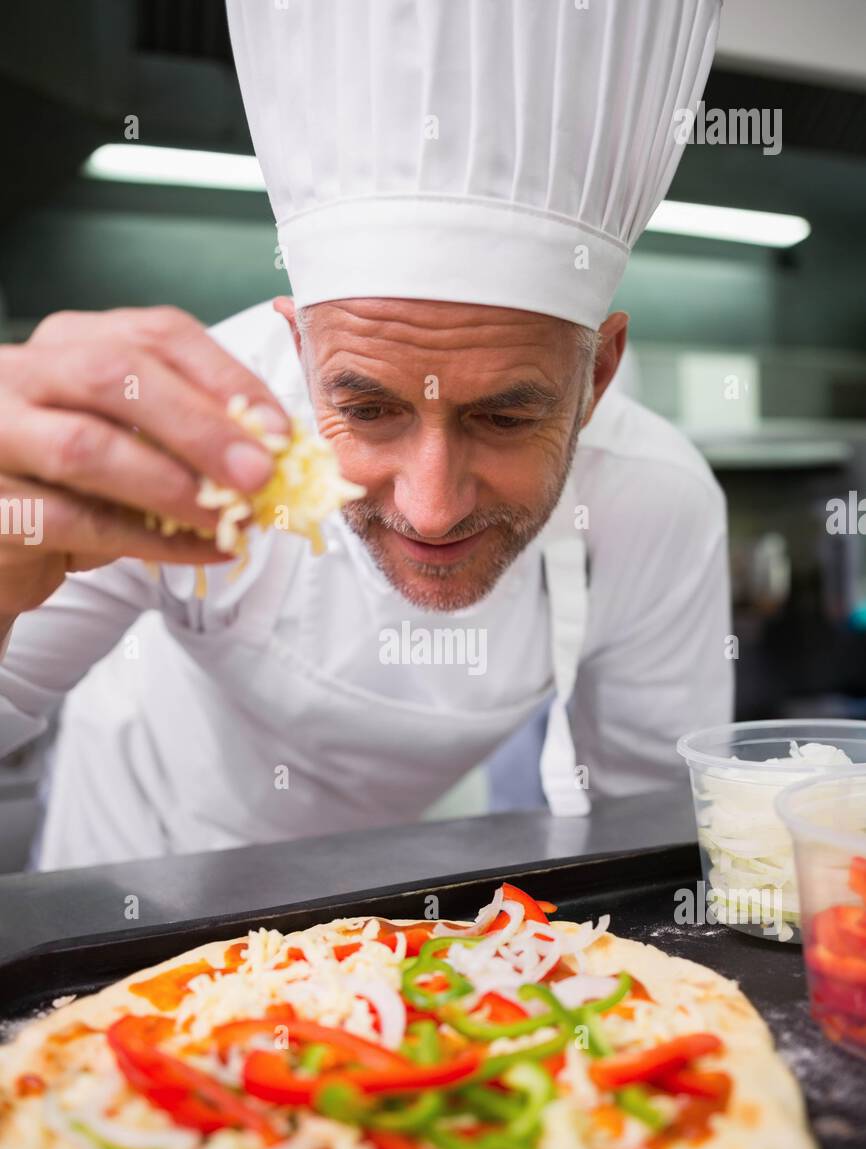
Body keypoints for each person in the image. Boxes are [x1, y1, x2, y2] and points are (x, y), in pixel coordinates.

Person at [0, 0, 731, 869]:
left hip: (380, 922)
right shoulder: (166, 440)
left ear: (597, 376)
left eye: (503, 417)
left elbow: (657, 836)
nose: (429, 507)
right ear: (299, 350)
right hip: (127, 889)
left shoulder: (659, 506)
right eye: (371, 409)